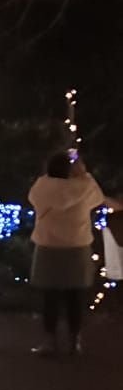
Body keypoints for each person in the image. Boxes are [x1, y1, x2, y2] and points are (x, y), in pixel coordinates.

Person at [27, 151, 123, 355]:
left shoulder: (42, 187)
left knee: (49, 298)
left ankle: (50, 341)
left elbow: (33, 197)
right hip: (77, 248)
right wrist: (84, 172)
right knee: (75, 298)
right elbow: (97, 196)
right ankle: (74, 341)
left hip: (47, 247)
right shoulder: (84, 187)